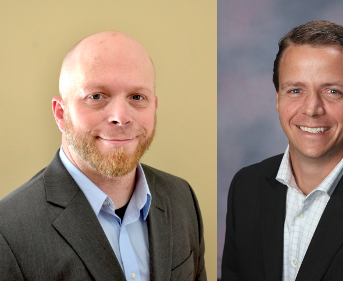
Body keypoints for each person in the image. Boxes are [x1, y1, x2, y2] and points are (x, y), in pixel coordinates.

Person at [0, 31, 206, 280]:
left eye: (137, 97)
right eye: (96, 96)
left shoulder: (182, 197)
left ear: (154, 106)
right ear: (60, 114)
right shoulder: (7, 231)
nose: (121, 116)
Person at [221, 20, 343, 280]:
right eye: (295, 90)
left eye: (332, 91)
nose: (312, 109)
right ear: (278, 98)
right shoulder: (245, 187)